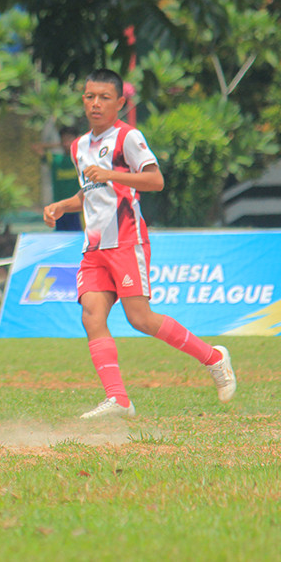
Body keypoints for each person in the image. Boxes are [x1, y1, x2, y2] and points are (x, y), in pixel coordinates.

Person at [43, 68, 237, 419]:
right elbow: (91, 192)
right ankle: (118, 399)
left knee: (140, 319)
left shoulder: (127, 138)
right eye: (90, 97)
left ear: (120, 102)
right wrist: (62, 206)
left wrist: (113, 174)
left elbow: (155, 180)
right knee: (91, 315)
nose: (96, 104)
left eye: (104, 97)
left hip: (127, 241)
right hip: (94, 248)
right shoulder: (79, 146)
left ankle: (214, 358)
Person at [34, 125, 83, 231]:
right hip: (59, 208)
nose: (66, 143)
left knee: (79, 238)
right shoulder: (56, 160)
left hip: (77, 209)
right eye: (63, 140)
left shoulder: (82, 160)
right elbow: (37, 147)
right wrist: (60, 144)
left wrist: (74, 143)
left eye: (69, 140)